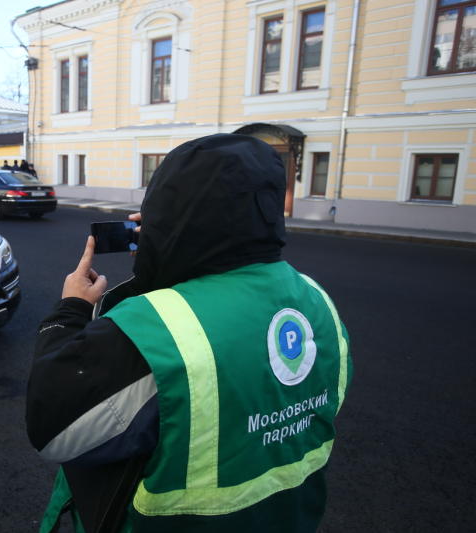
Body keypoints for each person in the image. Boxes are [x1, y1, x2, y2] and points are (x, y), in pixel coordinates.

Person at [26, 134, 352, 533]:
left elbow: (52, 428)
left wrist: (71, 308)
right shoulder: (318, 301)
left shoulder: (159, 331)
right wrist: (167, 258)